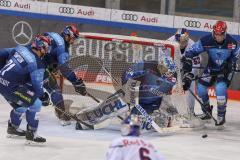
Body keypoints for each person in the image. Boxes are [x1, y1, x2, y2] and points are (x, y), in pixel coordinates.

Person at [183, 21, 240, 127]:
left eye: (220, 35)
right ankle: (206, 111)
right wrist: (187, 59)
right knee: (200, 89)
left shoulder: (232, 42)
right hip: (211, 68)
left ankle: (221, 115)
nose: (218, 37)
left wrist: (229, 63)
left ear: (224, 33)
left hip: (225, 70)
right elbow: (192, 51)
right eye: (216, 34)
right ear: (213, 32)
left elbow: (236, 54)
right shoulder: (206, 40)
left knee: (220, 89)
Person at [0, 35, 51, 143]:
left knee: (22, 105)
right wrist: (44, 97)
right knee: (36, 104)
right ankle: (32, 133)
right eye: (46, 47)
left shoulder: (20, 48)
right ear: (41, 47)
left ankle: (13, 128)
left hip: (1, 82)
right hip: (11, 87)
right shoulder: (38, 64)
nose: (47, 51)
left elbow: (3, 53)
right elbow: (38, 88)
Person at [43, 25, 87, 126]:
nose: (73, 41)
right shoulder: (63, 47)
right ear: (67, 36)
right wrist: (76, 82)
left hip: (30, 61)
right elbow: (64, 68)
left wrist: (52, 66)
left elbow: (45, 50)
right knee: (55, 89)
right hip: (37, 68)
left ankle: (23, 106)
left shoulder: (52, 34)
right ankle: (62, 116)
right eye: (73, 38)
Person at [167, 28, 200, 116]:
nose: (181, 44)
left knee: (191, 85)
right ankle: (168, 108)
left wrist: (189, 75)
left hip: (187, 69)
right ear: (176, 39)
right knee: (167, 84)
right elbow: (162, 58)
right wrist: (170, 71)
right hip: (172, 67)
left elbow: (196, 64)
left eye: (183, 41)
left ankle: (191, 111)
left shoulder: (193, 46)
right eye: (179, 41)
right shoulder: (169, 42)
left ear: (187, 40)